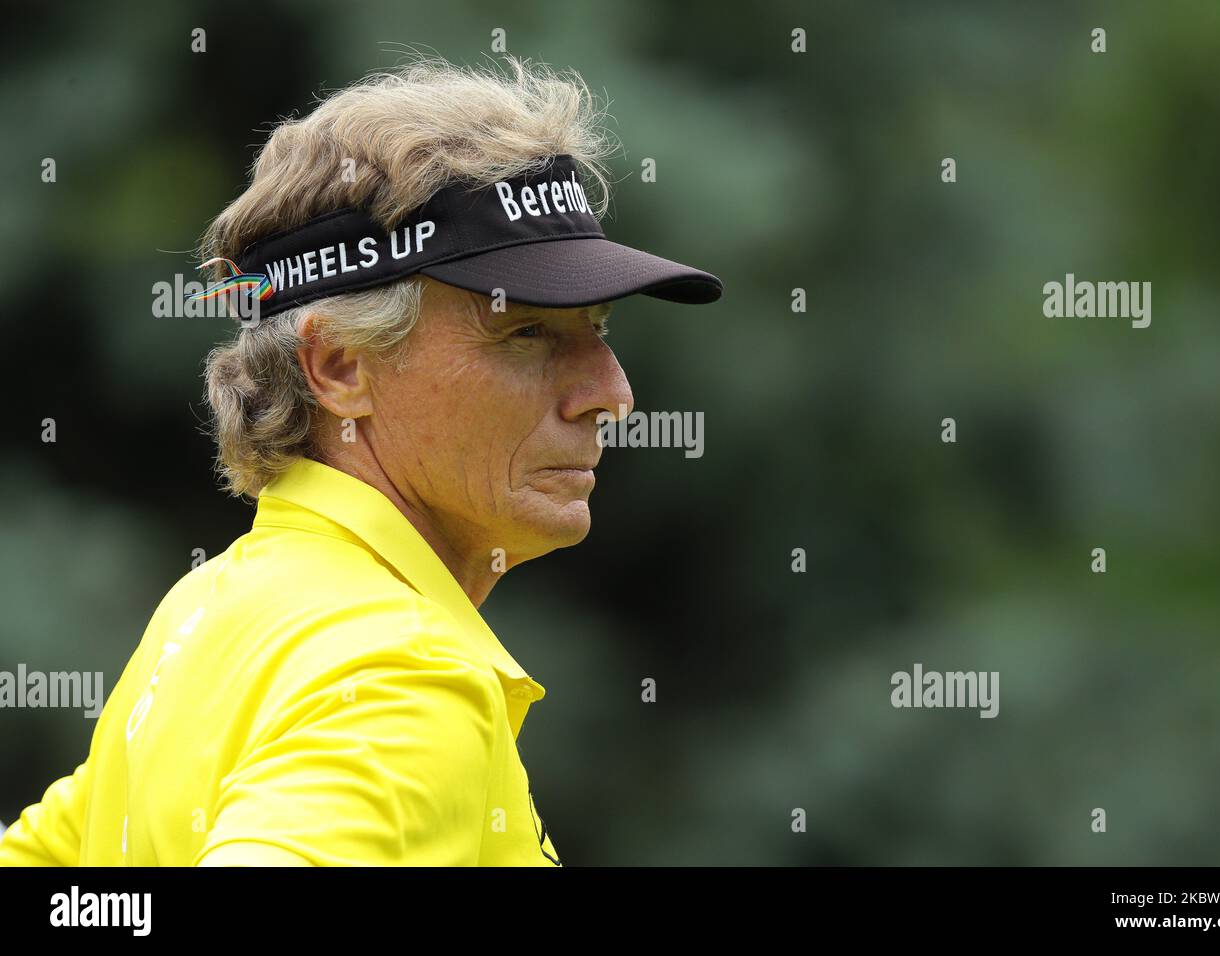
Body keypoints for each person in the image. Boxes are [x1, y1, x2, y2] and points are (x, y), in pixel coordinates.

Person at [0, 55, 721, 866]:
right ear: (339, 367)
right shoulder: (399, 678)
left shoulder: (208, 608)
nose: (611, 393)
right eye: (524, 332)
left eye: (600, 329)